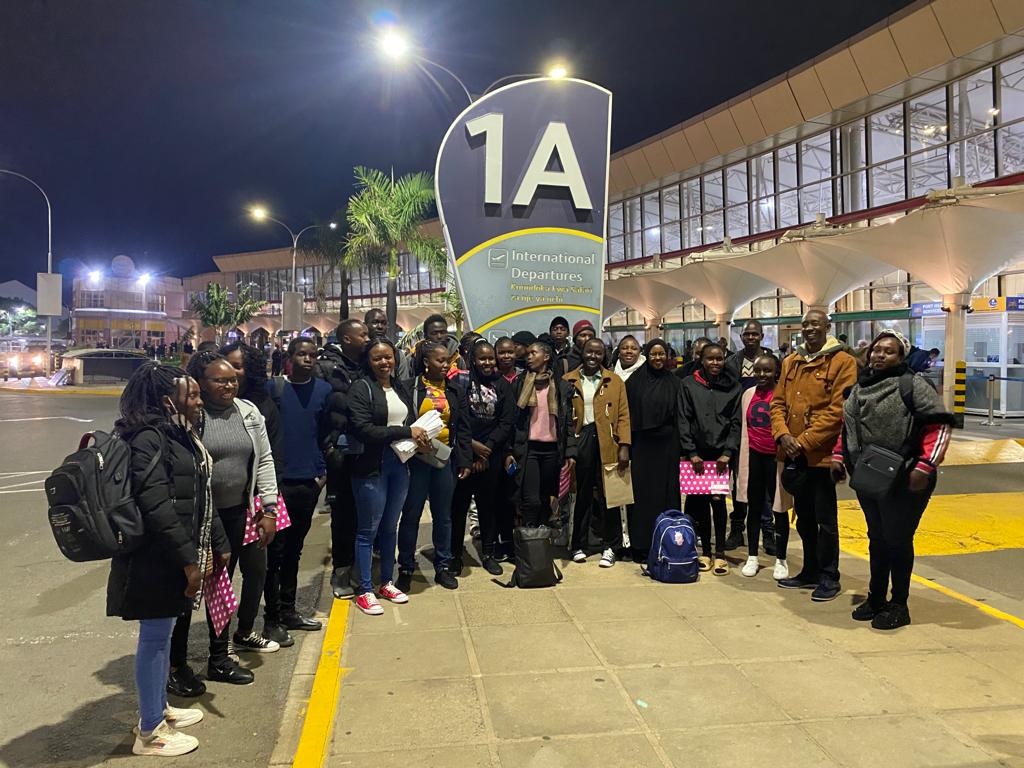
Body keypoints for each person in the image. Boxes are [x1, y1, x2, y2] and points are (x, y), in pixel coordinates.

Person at [108, 363, 225, 756]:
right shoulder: (149, 438)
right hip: (155, 559)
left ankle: (158, 708)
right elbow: (156, 505)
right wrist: (188, 561)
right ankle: (150, 732)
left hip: (171, 554)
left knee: (163, 633)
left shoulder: (174, 433)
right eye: (191, 395)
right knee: (155, 640)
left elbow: (196, 496)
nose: (198, 401)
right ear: (166, 400)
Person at [170, 352, 279, 693]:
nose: (228, 384)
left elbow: (264, 460)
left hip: (237, 513)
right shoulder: (192, 418)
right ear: (201, 383)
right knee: (190, 591)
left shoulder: (247, 412)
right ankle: (177, 664)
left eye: (232, 378)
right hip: (199, 519)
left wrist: (269, 507)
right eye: (219, 380)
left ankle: (219, 658)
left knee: (223, 590)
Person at [831, 330, 953, 630]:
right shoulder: (859, 387)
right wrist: (838, 456)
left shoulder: (913, 385)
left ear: (901, 356)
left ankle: (899, 604)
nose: (879, 355)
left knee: (897, 540)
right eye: (876, 350)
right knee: (877, 538)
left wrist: (925, 465)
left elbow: (940, 424)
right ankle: (876, 597)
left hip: (905, 476)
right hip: (870, 475)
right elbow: (847, 426)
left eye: (888, 351)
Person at [771, 309, 858, 602]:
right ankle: (809, 570)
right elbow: (778, 403)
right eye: (806, 324)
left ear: (827, 327)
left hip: (819, 457)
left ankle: (829, 576)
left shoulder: (842, 362)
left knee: (825, 520)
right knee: (804, 518)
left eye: (815, 324)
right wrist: (783, 435)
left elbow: (838, 411)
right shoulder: (791, 362)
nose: (809, 329)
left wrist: (804, 441)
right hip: (793, 454)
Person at [347, 338, 431, 615]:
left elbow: (407, 421)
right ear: (368, 362)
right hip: (371, 466)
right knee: (367, 530)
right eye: (377, 358)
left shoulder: (399, 387)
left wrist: (419, 434)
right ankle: (364, 589)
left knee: (389, 526)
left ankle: (386, 581)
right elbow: (363, 429)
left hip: (399, 463)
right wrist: (406, 433)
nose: (384, 362)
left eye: (388, 357)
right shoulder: (361, 388)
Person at [263, 337, 331, 641]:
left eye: (312, 355)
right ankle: (271, 618)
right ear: (289, 358)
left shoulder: (324, 391)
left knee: (294, 550)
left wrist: (322, 473)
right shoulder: (274, 389)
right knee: (274, 553)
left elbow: (327, 434)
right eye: (301, 354)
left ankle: (289, 611)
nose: (308, 359)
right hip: (278, 483)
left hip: (308, 482)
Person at [396, 341, 472, 590]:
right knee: (411, 514)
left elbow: (462, 427)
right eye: (440, 361)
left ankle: (443, 566)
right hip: (417, 461)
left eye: (448, 361)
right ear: (426, 362)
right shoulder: (410, 388)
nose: (445, 365)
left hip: (444, 459)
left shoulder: (454, 390)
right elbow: (404, 421)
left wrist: (464, 460)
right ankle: (406, 566)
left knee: (444, 516)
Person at [450, 341, 517, 574]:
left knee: (488, 507)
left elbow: (507, 421)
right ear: (473, 360)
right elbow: (457, 419)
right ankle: (455, 555)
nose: (487, 363)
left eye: (491, 358)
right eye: (482, 359)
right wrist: (472, 448)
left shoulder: (502, 385)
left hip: (491, 455)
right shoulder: (461, 383)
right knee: (458, 508)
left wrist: (487, 448)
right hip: (465, 454)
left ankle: (489, 553)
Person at [316, 319, 370, 600]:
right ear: (347, 339)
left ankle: (365, 568)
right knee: (343, 514)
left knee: (368, 510)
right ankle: (342, 569)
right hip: (341, 451)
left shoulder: (368, 364)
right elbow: (318, 412)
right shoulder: (327, 367)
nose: (368, 337)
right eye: (362, 334)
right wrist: (327, 447)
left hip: (369, 448)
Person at [564, 338, 631, 567]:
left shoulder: (615, 381)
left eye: (598, 353)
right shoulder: (569, 380)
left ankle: (610, 546)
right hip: (580, 439)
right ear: (582, 353)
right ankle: (578, 545)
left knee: (608, 495)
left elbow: (623, 415)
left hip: (607, 441)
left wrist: (624, 446)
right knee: (581, 494)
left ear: (605, 355)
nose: (593, 356)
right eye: (589, 352)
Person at [678, 342, 742, 575]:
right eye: (710, 359)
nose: (715, 363)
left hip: (721, 456)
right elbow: (683, 419)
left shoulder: (733, 387)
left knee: (718, 502)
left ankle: (721, 552)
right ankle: (705, 551)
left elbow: (736, 422)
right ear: (701, 360)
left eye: (719, 358)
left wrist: (728, 452)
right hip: (697, 455)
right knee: (701, 504)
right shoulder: (688, 385)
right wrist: (691, 452)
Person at [507, 341, 577, 527]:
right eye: (527, 353)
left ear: (546, 357)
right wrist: (510, 449)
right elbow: (513, 419)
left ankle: (541, 542)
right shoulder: (521, 383)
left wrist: (570, 451)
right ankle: (529, 541)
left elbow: (567, 421)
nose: (529, 356)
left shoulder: (560, 385)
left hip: (553, 449)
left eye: (533, 353)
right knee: (531, 499)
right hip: (529, 449)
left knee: (547, 496)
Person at [624, 339, 682, 562]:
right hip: (642, 446)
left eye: (662, 354)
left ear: (667, 356)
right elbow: (627, 416)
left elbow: (680, 416)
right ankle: (641, 545)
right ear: (646, 356)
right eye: (653, 354)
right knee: (642, 496)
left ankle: (668, 542)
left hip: (668, 446)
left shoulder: (675, 383)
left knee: (667, 493)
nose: (658, 358)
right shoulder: (634, 383)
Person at [736, 353, 791, 579]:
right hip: (755, 458)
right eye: (758, 370)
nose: (762, 375)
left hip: (776, 459)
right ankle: (752, 556)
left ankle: (781, 559)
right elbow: (743, 430)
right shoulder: (748, 394)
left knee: (779, 509)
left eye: (767, 370)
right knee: (754, 508)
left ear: (776, 372)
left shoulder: (784, 394)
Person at [724, 319, 776, 550]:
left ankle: (768, 531)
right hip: (739, 427)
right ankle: (737, 529)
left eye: (755, 334)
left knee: (766, 486)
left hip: (765, 428)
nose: (751, 338)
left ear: (762, 336)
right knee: (739, 482)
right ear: (742, 336)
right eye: (747, 334)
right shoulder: (732, 362)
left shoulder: (772, 360)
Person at [364, 307, 410, 379]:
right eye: (375, 322)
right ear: (365, 325)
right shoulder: (359, 351)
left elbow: (404, 383)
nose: (380, 327)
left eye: (383, 323)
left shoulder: (397, 354)